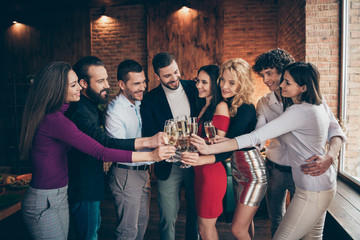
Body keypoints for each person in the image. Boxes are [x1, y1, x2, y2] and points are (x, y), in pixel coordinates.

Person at [19, 62, 175, 240]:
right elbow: (101, 150)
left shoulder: (64, 113)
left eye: (78, 82)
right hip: (45, 199)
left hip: (59, 194)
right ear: (57, 89)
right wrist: (151, 154)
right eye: (74, 84)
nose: (80, 87)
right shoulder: (56, 120)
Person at [190, 62, 343, 239]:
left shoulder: (300, 110)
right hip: (308, 181)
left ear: (302, 87)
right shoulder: (275, 103)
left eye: (285, 81)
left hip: (313, 187)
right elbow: (259, 138)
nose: (274, 83)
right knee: (310, 236)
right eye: (264, 75)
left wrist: (210, 147)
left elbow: (254, 137)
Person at [66, 56, 166, 240]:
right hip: (88, 184)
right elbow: (107, 145)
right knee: (116, 232)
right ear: (83, 83)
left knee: (138, 226)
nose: (107, 85)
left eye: (106, 79)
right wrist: (148, 143)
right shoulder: (83, 112)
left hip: (121, 176)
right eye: (100, 81)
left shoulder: (95, 107)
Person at [252, 49, 345, 237]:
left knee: (307, 229)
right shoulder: (264, 102)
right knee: (277, 222)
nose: (265, 80)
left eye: (269, 73)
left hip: (307, 171)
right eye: (262, 75)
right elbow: (259, 136)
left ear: (284, 71)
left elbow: (335, 130)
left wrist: (330, 156)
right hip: (276, 169)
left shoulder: (312, 98)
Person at [182, 58, 265, 240]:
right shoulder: (229, 105)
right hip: (237, 169)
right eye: (222, 80)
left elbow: (229, 146)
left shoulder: (246, 108)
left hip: (252, 172)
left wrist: (204, 155)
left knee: (237, 229)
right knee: (246, 223)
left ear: (242, 84)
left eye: (232, 82)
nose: (224, 86)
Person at [140, 52, 201, 240]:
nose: (174, 78)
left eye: (176, 72)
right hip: (168, 164)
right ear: (157, 77)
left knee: (196, 213)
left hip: (196, 161)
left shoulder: (194, 88)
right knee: (167, 216)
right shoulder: (149, 99)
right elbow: (149, 132)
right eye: (167, 75)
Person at [105, 59, 152, 239]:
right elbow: (118, 152)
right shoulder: (114, 111)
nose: (143, 87)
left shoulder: (138, 103)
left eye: (144, 81)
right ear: (122, 85)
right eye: (137, 84)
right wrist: (153, 154)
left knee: (141, 225)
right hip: (125, 173)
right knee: (127, 230)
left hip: (142, 172)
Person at [193, 65, 230, 240]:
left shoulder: (220, 106)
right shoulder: (205, 106)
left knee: (205, 229)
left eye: (204, 82)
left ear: (214, 84)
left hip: (212, 173)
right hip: (201, 172)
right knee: (203, 228)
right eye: (197, 81)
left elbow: (217, 145)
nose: (198, 85)